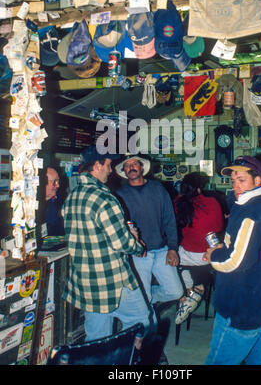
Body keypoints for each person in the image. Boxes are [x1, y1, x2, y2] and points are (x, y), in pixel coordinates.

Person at [62, 145, 151, 347]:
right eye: (109, 165)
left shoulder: (71, 198)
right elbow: (121, 243)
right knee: (142, 324)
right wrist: (137, 244)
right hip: (113, 280)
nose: (111, 170)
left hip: (87, 283)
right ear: (97, 165)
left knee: (96, 339)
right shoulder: (104, 199)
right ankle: (128, 363)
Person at [204, 155, 261, 365]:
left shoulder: (253, 213)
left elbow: (234, 262)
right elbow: (245, 246)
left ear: (258, 181)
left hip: (241, 310)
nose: (236, 185)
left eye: (242, 180)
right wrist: (224, 248)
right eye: (233, 180)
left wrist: (213, 255)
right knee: (260, 361)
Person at [115, 155, 184, 307]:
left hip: (161, 251)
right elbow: (119, 226)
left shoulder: (158, 189)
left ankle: (145, 299)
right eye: (127, 165)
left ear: (141, 167)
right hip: (138, 254)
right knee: (142, 300)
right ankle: (143, 302)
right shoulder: (119, 195)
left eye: (134, 164)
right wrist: (133, 244)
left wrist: (173, 249)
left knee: (176, 292)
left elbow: (170, 220)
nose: (131, 167)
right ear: (124, 171)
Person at [174, 172, 224, 325]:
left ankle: (190, 292)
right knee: (214, 259)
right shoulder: (212, 202)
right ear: (200, 188)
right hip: (205, 257)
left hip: (184, 258)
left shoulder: (177, 202)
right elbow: (219, 227)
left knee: (181, 266)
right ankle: (198, 290)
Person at [40, 166, 64, 236]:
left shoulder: (56, 202)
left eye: (58, 181)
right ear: (44, 183)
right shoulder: (32, 204)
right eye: (54, 182)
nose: (58, 185)